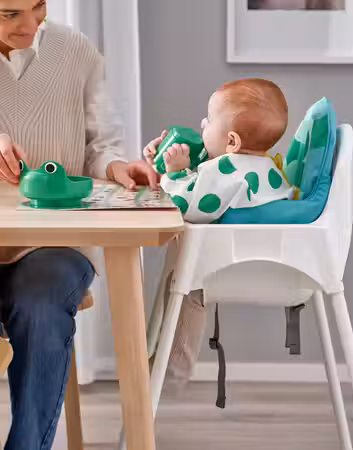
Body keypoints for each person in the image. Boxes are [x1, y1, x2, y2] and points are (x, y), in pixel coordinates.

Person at [0, 1, 157, 449]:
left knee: (40, 305)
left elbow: (101, 145)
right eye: (9, 14)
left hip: (54, 244)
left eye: (38, 6)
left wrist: (115, 167)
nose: (30, 25)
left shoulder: (75, 50)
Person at [144, 78, 292, 388]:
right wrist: (165, 163)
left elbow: (186, 205)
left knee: (184, 286)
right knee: (180, 273)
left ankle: (172, 370)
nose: (202, 125)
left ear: (232, 142)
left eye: (209, 121)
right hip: (265, 261)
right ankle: (159, 361)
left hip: (228, 266)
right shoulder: (262, 168)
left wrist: (174, 173)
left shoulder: (228, 170)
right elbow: (209, 185)